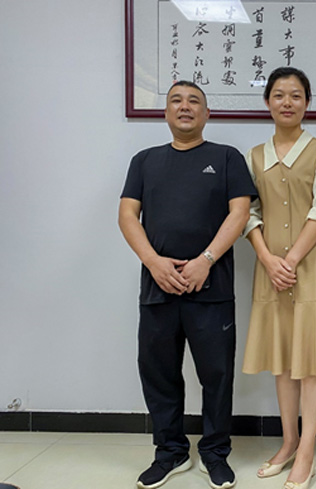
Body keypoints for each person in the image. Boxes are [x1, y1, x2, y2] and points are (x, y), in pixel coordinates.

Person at [118, 80, 257, 489]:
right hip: (157, 287)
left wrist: (205, 261)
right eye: (176, 101)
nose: (185, 106)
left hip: (211, 288)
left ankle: (215, 453)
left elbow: (240, 213)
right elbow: (127, 215)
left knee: (217, 375)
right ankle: (170, 452)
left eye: (194, 101)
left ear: (206, 113)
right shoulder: (144, 161)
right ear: (165, 113)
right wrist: (153, 262)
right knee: (159, 373)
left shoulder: (227, 157)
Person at [242, 67, 316, 489]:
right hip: (270, 271)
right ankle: (287, 443)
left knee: (311, 365)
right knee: (282, 361)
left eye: (296, 95)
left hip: (309, 269)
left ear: (307, 102)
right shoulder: (254, 156)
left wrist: (291, 259)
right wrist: (269, 260)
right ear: (267, 101)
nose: (287, 102)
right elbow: (248, 213)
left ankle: (306, 452)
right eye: (280, 95)